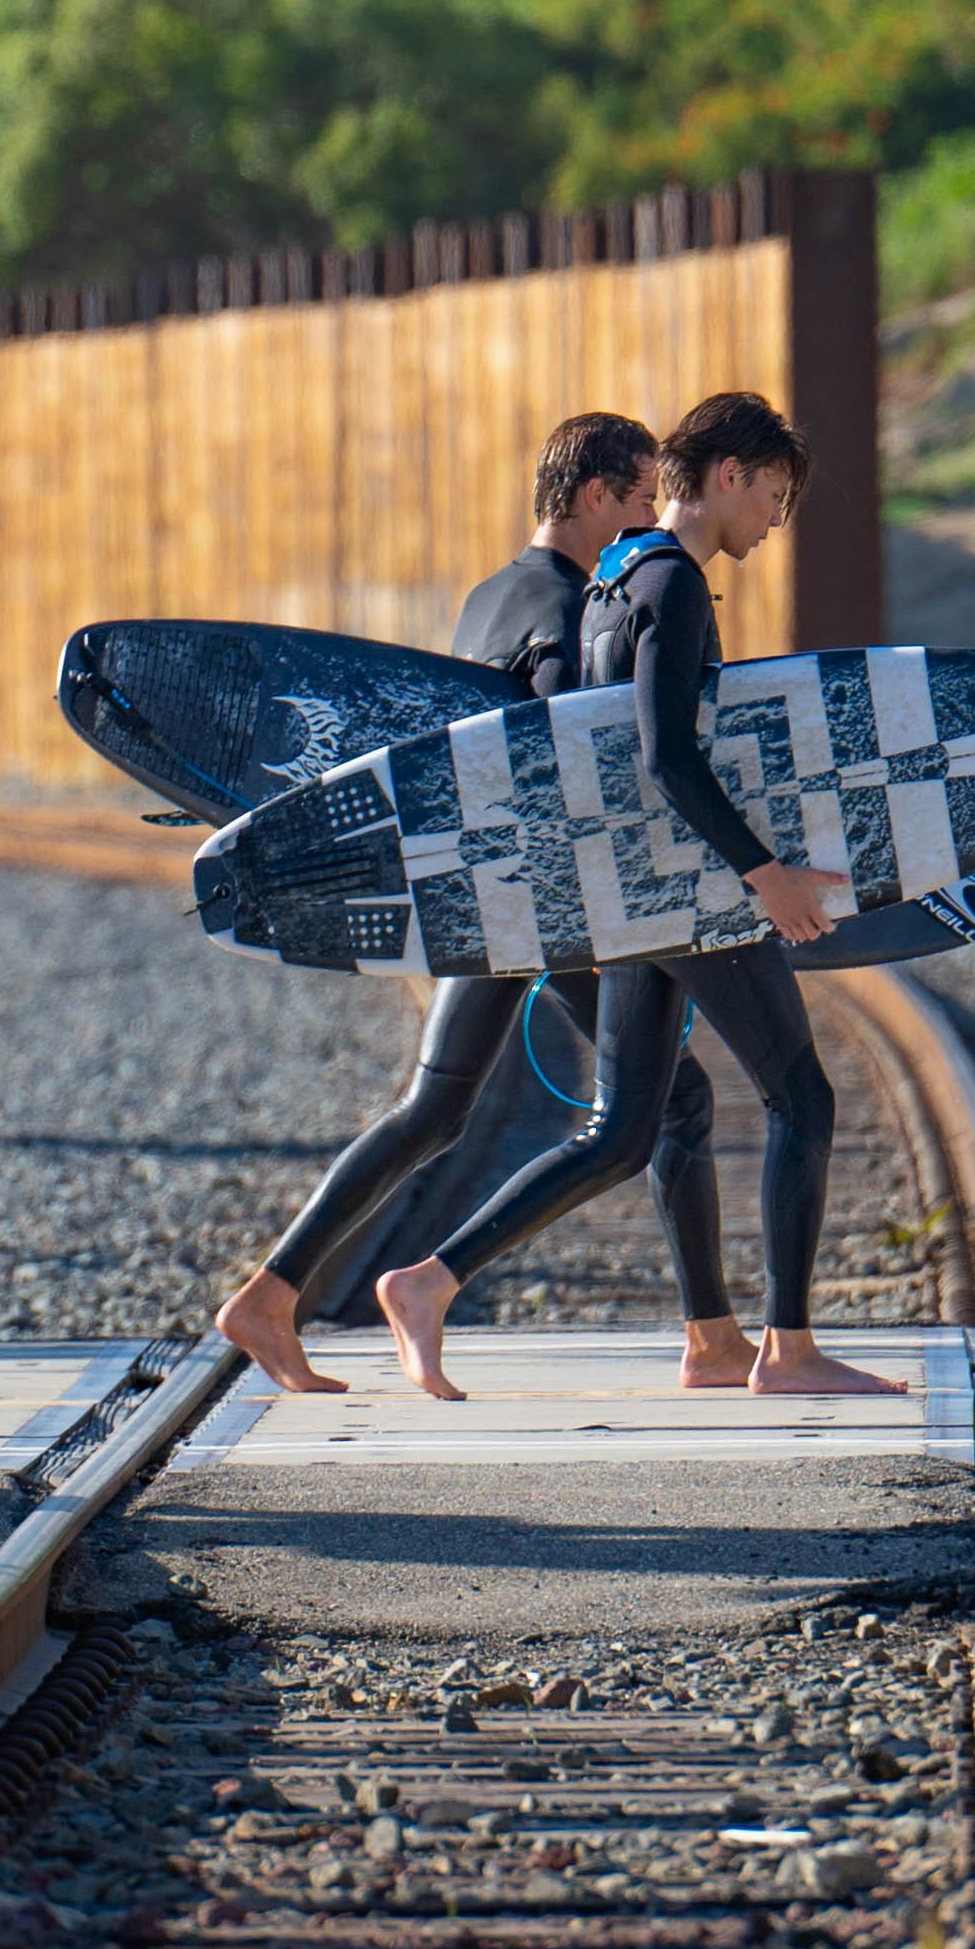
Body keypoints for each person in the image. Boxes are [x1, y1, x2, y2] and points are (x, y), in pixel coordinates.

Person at [375, 388, 906, 1406]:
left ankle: (433, 1279)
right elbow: (666, 756)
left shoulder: (612, 578)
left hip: (630, 891)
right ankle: (786, 1348)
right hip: (684, 888)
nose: (772, 522)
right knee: (802, 1094)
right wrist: (766, 874)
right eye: (774, 497)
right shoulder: (672, 585)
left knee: (630, 1125)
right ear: (729, 476)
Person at [213, 411, 759, 1396]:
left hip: (482, 900)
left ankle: (271, 1292)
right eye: (639, 501)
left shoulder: (488, 595)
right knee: (658, 1102)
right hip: (548, 903)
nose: (648, 523)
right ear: (596, 496)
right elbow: (572, 756)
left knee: (436, 1109)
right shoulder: (566, 606)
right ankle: (679, 1328)